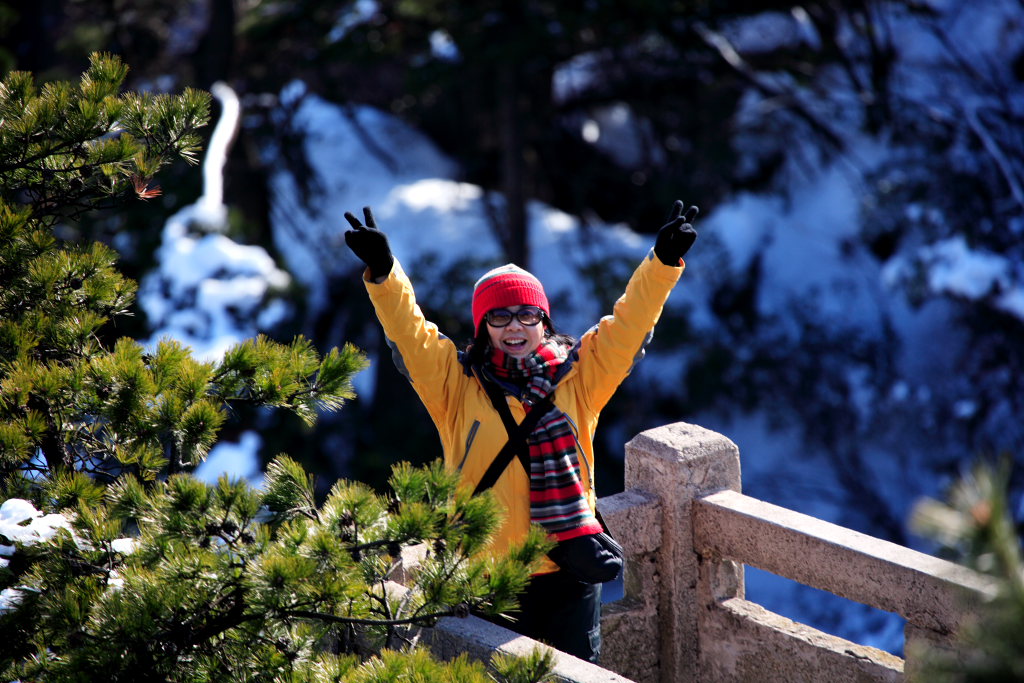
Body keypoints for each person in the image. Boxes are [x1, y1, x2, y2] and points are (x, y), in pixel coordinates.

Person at [343, 201, 698, 663]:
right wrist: (385, 272)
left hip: (567, 570)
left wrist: (662, 264)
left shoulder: (579, 378)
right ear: (483, 326)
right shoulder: (455, 386)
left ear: (543, 321)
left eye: (526, 314)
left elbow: (627, 327)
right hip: (486, 577)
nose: (514, 326)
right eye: (499, 316)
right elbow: (411, 336)